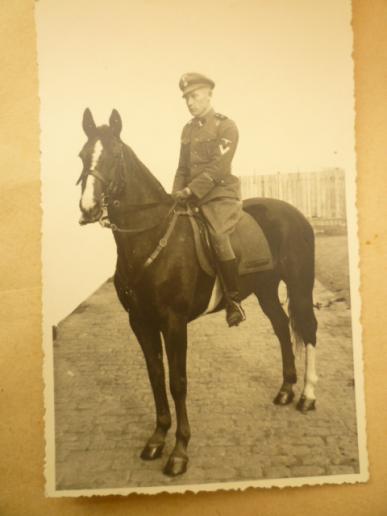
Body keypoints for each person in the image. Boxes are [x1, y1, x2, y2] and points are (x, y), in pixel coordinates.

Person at [172, 72, 245, 327]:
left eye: (194, 96)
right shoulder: (187, 130)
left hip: (220, 195)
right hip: (192, 196)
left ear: (209, 94)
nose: (190, 102)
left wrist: (191, 190)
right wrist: (175, 194)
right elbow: (182, 167)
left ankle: (233, 300)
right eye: (186, 98)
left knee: (217, 235)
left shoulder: (226, 126)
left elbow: (218, 167)